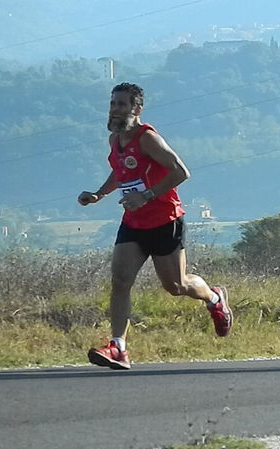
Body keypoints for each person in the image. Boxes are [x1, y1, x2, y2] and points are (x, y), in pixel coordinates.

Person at [78, 82, 233, 370]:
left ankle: (214, 299)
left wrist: (147, 195)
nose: (115, 110)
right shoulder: (116, 141)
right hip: (134, 223)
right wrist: (99, 194)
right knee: (120, 281)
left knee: (176, 285)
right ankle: (118, 347)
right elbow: (121, 171)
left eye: (122, 105)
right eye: (113, 104)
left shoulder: (148, 139)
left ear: (136, 110)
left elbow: (181, 172)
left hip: (165, 221)